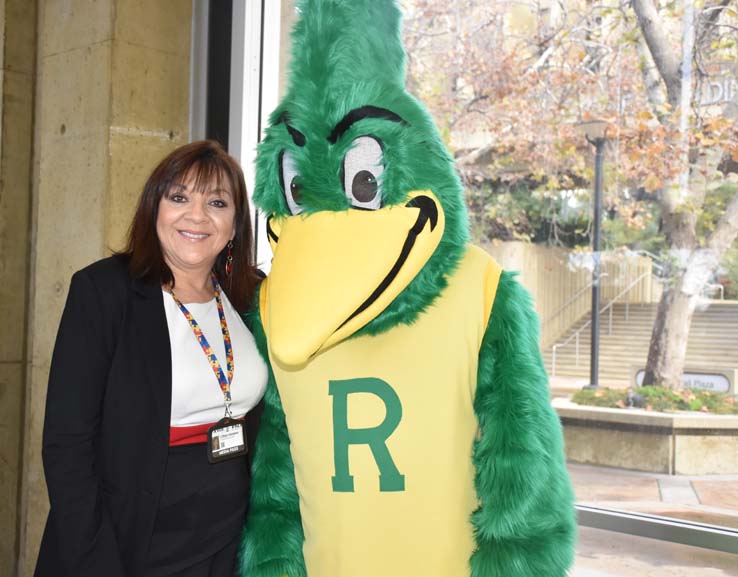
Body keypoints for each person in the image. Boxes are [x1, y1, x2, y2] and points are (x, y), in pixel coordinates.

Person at [35, 140, 267, 577]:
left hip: (227, 541)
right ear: (153, 209)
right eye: (179, 197)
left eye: (216, 202)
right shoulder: (104, 292)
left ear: (235, 224)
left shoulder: (249, 298)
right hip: (131, 539)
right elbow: (66, 446)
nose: (196, 215)